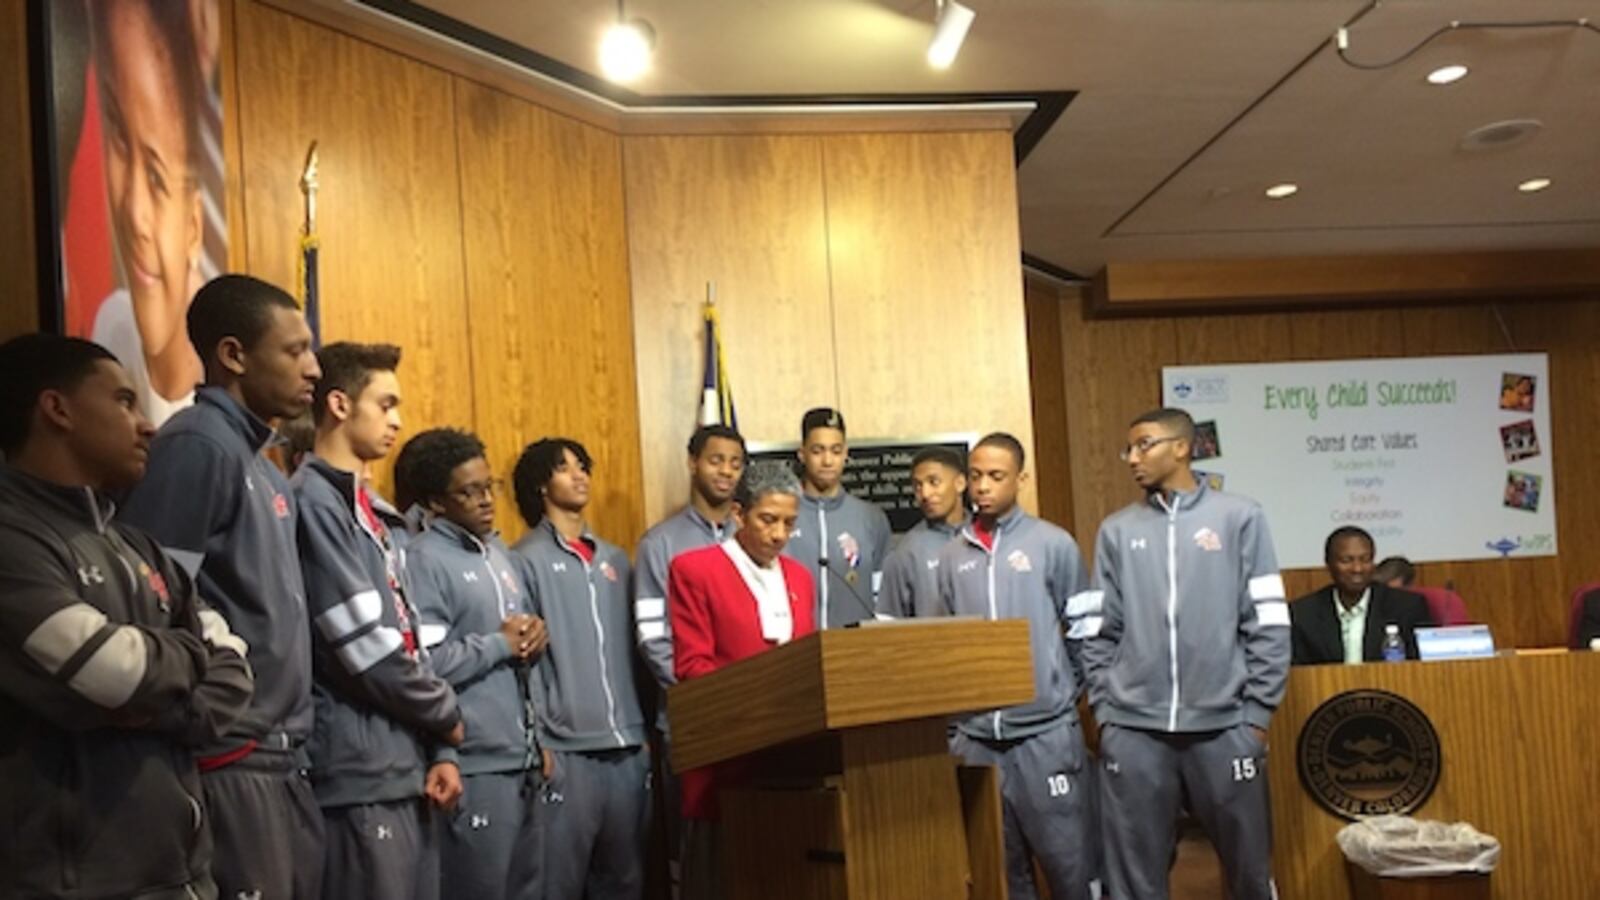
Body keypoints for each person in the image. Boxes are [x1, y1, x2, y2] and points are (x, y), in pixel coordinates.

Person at [0, 333, 252, 899]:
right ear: (57, 409)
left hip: (182, 874)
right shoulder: (11, 535)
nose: (147, 425)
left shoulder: (139, 546)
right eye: (123, 401)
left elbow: (236, 678)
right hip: (70, 883)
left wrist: (146, 694)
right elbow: (109, 672)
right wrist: (188, 657)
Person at [118, 273, 326, 900]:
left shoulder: (258, 464)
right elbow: (156, 600)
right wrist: (212, 725)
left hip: (282, 755)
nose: (315, 369)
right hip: (234, 757)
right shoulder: (198, 447)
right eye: (294, 351)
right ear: (233, 355)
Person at [1083, 407, 1289, 900]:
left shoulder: (1240, 517)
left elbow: (1269, 619)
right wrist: (1106, 713)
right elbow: (1097, 629)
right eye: (1128, 448)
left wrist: (1256, 715)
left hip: (1225, 727)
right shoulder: (1116, 530)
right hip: (1135, 730)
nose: (1132, 458)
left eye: (1144, 445)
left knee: (1248, 873)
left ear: (1182, 447)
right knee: (1133, 878)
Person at [292, 342, 464, 900]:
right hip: (355, 770)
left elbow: (411, 639)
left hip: (405, 763)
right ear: (339, 405)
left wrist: (440, 747)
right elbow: (361, 648)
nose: (398, 421)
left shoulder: (379, 511)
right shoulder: (314, 503)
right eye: (385, 404)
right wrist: (445, 711)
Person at [934, 433, 1095, 900]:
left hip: (1045, 736)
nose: (983, 486)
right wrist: (955, 729)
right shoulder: (949, 558)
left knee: (1069, 867)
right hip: (978, 739)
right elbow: (942, 645)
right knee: (999, 873)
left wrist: (1060, 696)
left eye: (996, 476)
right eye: (977, 476)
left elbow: (1084, 632)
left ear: (1020, 479)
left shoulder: (1053, 544)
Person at [399, 428, 550, 900]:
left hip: (522, 758)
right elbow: (428, 664)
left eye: (491, 486)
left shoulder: (501, 555)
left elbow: (519, 647)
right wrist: (500, 645)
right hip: (473, 763)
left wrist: (534, 639)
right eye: (470, 491)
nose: (487, 501)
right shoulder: (423, 560)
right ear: (436, 502)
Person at [668, 461, 817, 900]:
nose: (778, 535)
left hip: (791, 760)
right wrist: (764, 704)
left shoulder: (801, 578)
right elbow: (692, 666)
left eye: (789, 523)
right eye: (767, 520)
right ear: (738, 513)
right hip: (727, 760)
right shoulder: (695, 569)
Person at [511, 437, 650, 900]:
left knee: (626, 882)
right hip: (566, 752)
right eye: (564, 468)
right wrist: (541, 738)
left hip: (627, 747)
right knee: (560, 884)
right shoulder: (523, 558)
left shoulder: (615, 559)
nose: (579, 475)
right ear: (540, 485)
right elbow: (522, 660)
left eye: (583, 466)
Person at [633, 423, 747, 888]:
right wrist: (709, 698)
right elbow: (653, 638)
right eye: (716, 460)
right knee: (695, 856)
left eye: (736, 463)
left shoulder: (754, 537)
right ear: (693, 462)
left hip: (754, 724)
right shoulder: (660, 544)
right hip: (690, 722)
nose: (726, 471)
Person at [87, 0, 207, 423]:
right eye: (119, 135)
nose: (134, 215)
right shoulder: (112, 324)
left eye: (157, 179)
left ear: (194, 226)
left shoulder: (220, 383)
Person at [785, 407, 891, 628]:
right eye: (817, 450)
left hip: (854, 651)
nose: (827, 461)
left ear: (845, 454)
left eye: (835, 450)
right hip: (795, 648)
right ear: (802, 454)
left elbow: (882, 596)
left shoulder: (871, 517)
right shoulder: (783, 514)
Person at [1289, 527, 1434, 665]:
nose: (1357, 569)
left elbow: (1422, 667)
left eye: (1365, 560)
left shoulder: (1406, 606)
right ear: (1328, 564)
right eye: (1347, 560)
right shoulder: (1303, 614)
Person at [877, 446, 967, 619]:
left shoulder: (985, 537)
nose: (925, 494)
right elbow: (889, 623)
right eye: (918, 486)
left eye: (934, 482)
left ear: (960, 483)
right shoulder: (905, 551)